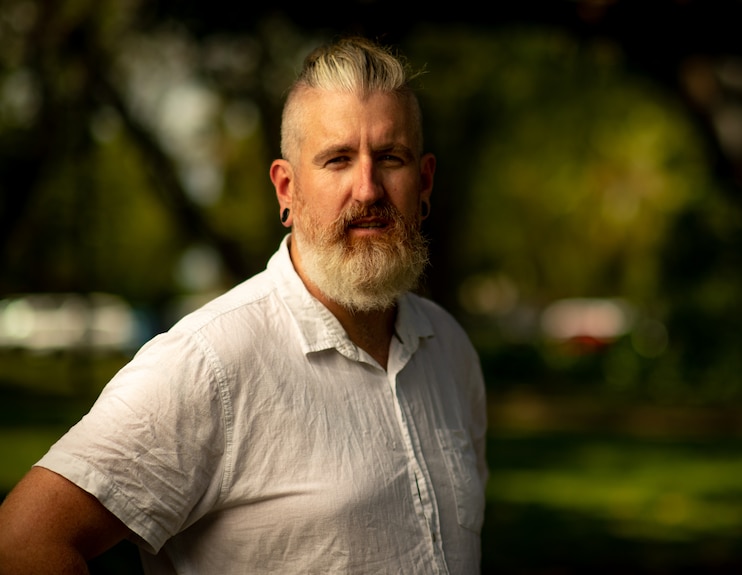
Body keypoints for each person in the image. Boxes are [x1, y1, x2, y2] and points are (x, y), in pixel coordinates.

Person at [0, 36, 488, 574]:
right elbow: (22, 543)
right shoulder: (209, 361)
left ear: (424, 182)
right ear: (286, 189)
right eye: (337, 160)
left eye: (390, 157)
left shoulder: (449, 350)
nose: (368, 188)